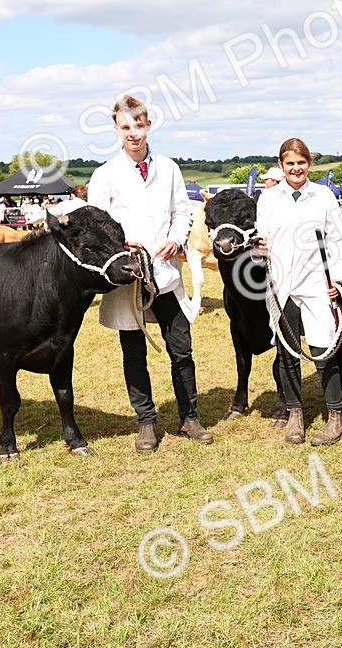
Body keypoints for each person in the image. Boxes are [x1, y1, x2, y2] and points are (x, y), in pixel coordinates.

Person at [88, 94, 212, 454]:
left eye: (138, 125)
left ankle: (189, 418)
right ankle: (146, 422)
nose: (133, 133)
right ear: (116, 129)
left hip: (166, 273)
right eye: (125, 127)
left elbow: (182, 212)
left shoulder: (169, 168)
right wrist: (122, 243)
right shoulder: (104, 174)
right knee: (134, 353)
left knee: (182, 349)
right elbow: (97, 226)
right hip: (128, 278)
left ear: (148, 125)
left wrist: (175, 240)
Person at [255, 138, 342, 446]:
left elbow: (341, 241)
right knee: (287, 354)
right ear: (281, 165)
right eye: (290, 163)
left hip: (316, 286)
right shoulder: (268, 198)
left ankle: (336, 416)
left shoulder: (323, 196)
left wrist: (337, 278)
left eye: (301, 162)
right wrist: (259, 249)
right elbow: (262, 240)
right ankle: (295, 414)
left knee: (325, 352)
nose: (296, 168)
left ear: (308, 164)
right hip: (283, 287)